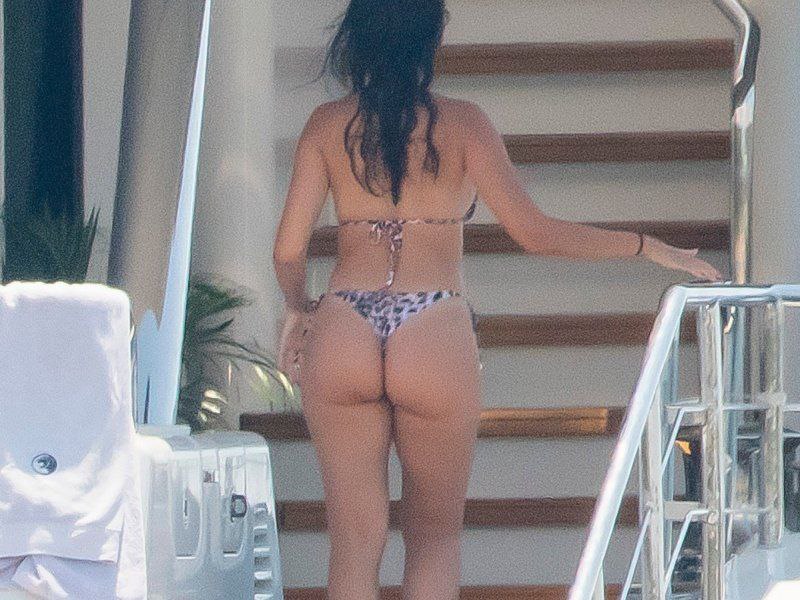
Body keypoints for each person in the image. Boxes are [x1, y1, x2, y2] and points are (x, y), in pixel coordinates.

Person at [271, 2, 722, 598]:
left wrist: (299, 308)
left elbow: (288, 249)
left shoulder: (326, 125)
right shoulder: (464, 124)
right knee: (434, 540)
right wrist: (645, 246)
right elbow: (536, 233)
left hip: (345, 320)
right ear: (430, 41)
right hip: (432, 323)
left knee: (354, 542)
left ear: (357, 40)